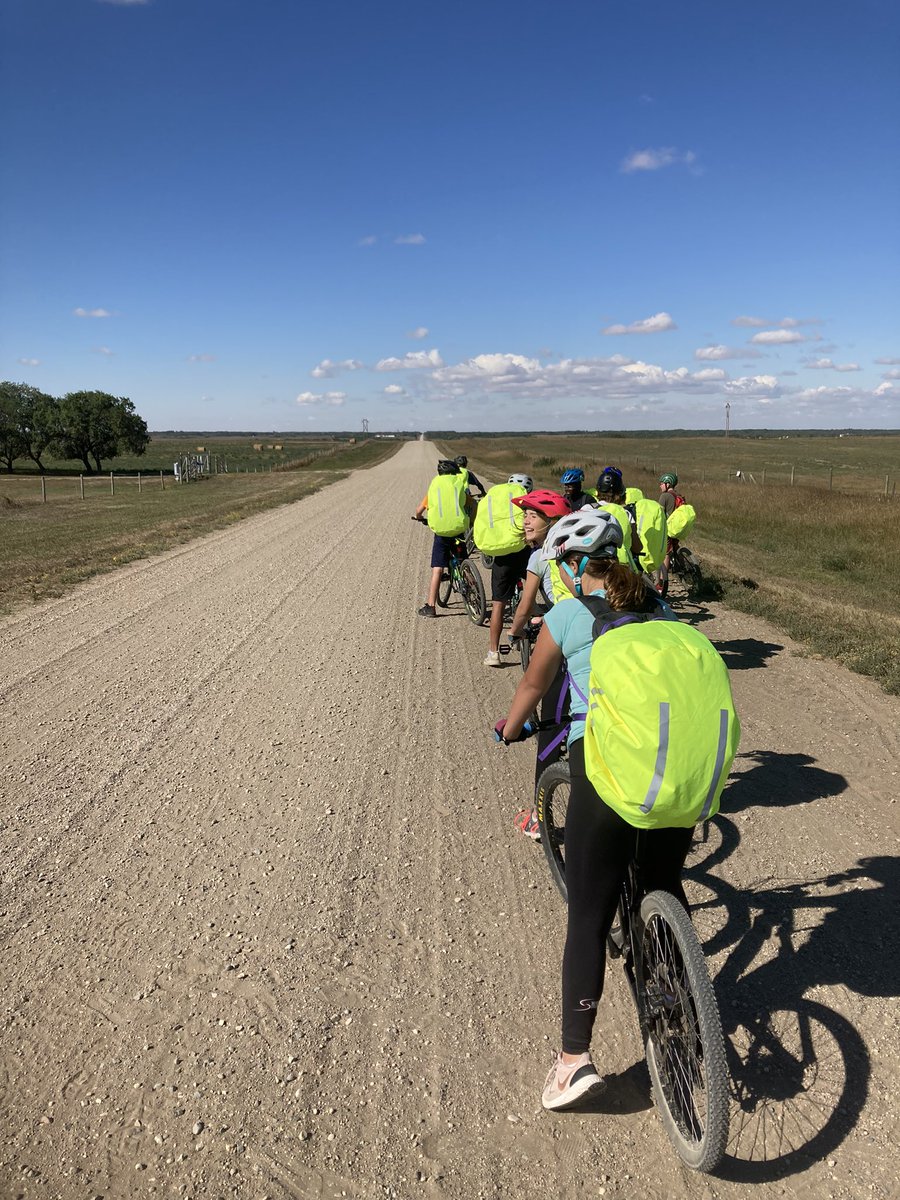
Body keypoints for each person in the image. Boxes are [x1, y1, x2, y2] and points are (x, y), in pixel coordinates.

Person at [494, 510, 681, 1111]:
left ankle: (573, 1062)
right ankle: (679, 999)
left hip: (603, 769)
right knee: (663, 884)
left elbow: (531, 686)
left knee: (589, 917)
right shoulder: (661, 609)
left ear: (576, 568)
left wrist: (511, 729)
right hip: (670, 771)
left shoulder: (570, 614)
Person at [474, 473, 533, 667]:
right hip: (524, 552)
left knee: (499, 604)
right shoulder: (526, 501)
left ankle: (494, 653)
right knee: (535, 592)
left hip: (502, 556)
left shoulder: (497, 498)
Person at [412, 460, 472, 617]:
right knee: (462, 559)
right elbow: (469, 504)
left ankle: (431, 606)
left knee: (437, 568)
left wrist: (419, 517)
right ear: (453, 473)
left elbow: (419, 510)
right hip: (459, 529)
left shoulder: (434, 486)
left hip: (441, 533)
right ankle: (473, 586)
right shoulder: (459, 485)